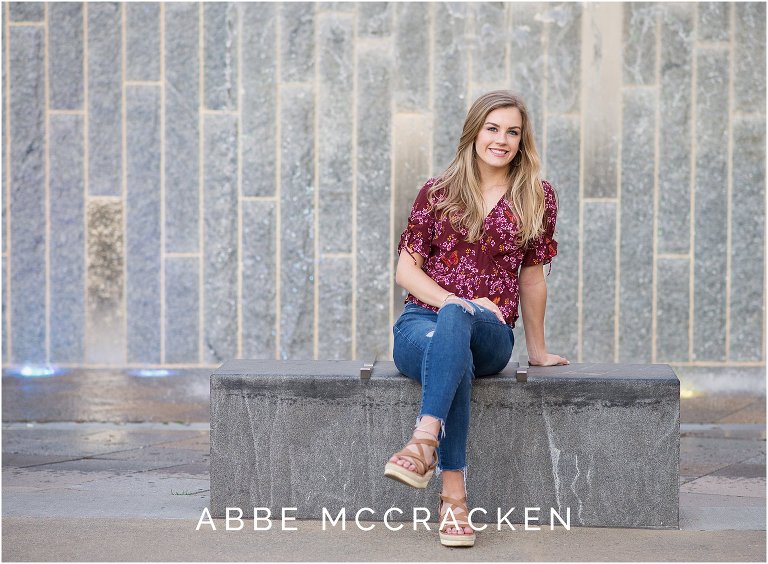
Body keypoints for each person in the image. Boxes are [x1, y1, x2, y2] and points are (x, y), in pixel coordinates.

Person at [384, 90, 570, 547]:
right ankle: (453, 498)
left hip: (491, 334)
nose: (501, 140)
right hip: (420, 327)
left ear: (522, 141)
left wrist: (538, 350)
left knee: (463, 335)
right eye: (493, 128)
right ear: (474, 132)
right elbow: (405, 271)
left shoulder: (537, 196)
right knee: (454, 339)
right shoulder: (438, 191)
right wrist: (456, 301)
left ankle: (422, 442)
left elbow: (531, 278)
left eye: (512, 132)